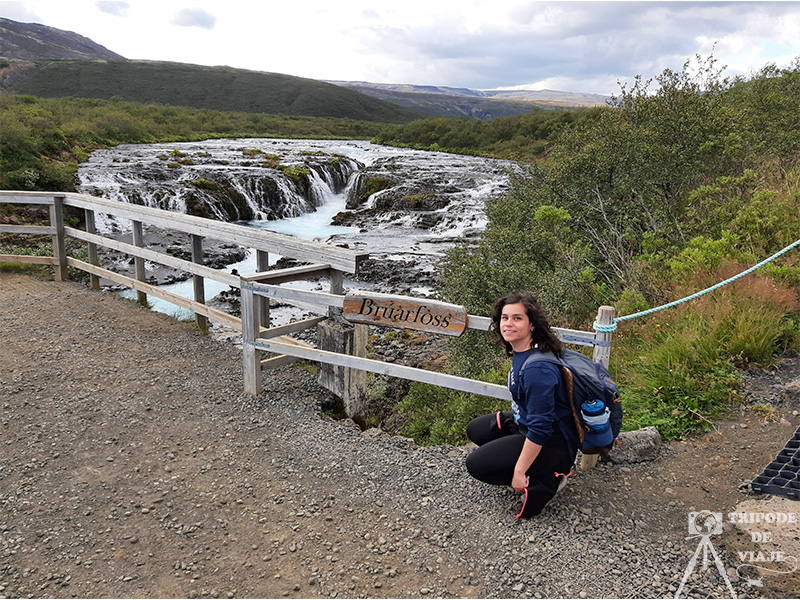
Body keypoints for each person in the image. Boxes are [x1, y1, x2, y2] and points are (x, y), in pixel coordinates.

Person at [465, 291, 578, 519]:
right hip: (527, 424)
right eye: (505, 318)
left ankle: (549, 476)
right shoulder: (526, 350)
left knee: (476, 465)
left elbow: (541, 428)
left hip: (552, 443)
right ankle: (530, 461)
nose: (508, 323)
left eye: (517, 318)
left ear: (531, 324)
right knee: (476, 429)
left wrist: (519, 470)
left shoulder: (537, 369)